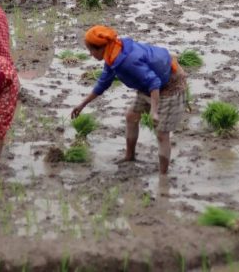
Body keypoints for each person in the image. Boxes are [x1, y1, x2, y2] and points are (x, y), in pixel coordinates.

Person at [70, 25, 187, 175]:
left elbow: (154, 83)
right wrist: (82, 104)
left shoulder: (127, 61)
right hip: (148, 87)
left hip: (169, 86)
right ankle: (129, 156)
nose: (90, 54)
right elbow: (103, 83)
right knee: (131, 117)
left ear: (100, 48)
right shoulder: (112, 54)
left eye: (91, 51)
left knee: (162, 134)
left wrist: (154, 111)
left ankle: (163, 177)